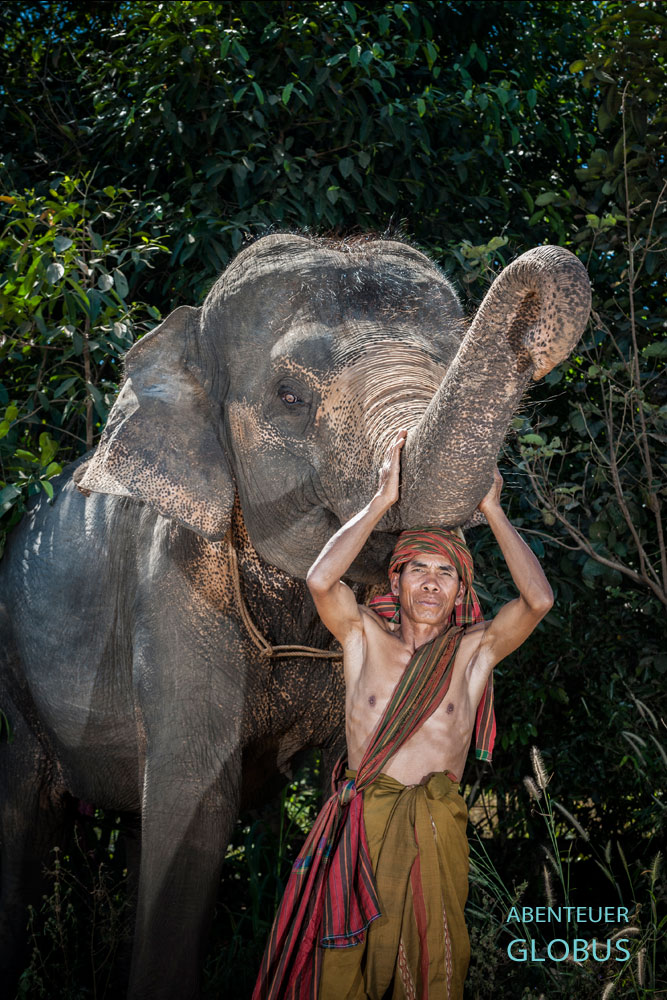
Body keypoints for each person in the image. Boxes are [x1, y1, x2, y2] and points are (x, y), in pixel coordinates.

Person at [253, 430, 554, 1000]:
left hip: (434, 831)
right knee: (339, 973)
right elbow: (321, 580)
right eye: (420, 569)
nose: (432, 584)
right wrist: (382, 501)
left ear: (460, 588)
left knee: (431, 968)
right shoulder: (362, 637)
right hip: (361, 827)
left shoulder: (473, 653)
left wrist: (492, 510)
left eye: (446, 573)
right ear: (397, 578)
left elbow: (537, 601)